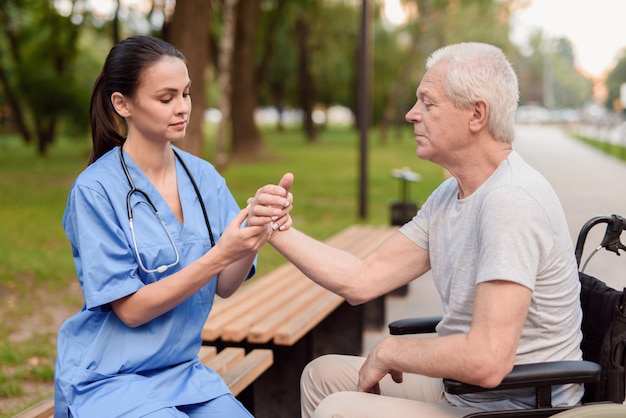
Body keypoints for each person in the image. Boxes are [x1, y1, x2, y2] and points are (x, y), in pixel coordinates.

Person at [252, 42, 583, 417]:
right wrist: (276, 229)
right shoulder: (451, 194)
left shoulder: (511, 200)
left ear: (477, 114)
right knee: (321, 377)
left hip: (516, 405)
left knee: (340, 409)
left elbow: (488, 360)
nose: (412, 115)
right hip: (464, 393)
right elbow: (363, 279)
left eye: (428, 103)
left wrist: (392, 351)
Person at [54, 35, 292, 418]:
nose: (182, 108)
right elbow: (130, 311)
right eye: (166, 99)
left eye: (186, 94)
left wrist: (256, 231)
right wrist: (219, 255)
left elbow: (226, 285)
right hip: (110, 379)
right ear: (122, 103)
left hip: (182, 373)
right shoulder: (95, 191)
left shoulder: (202, 177)